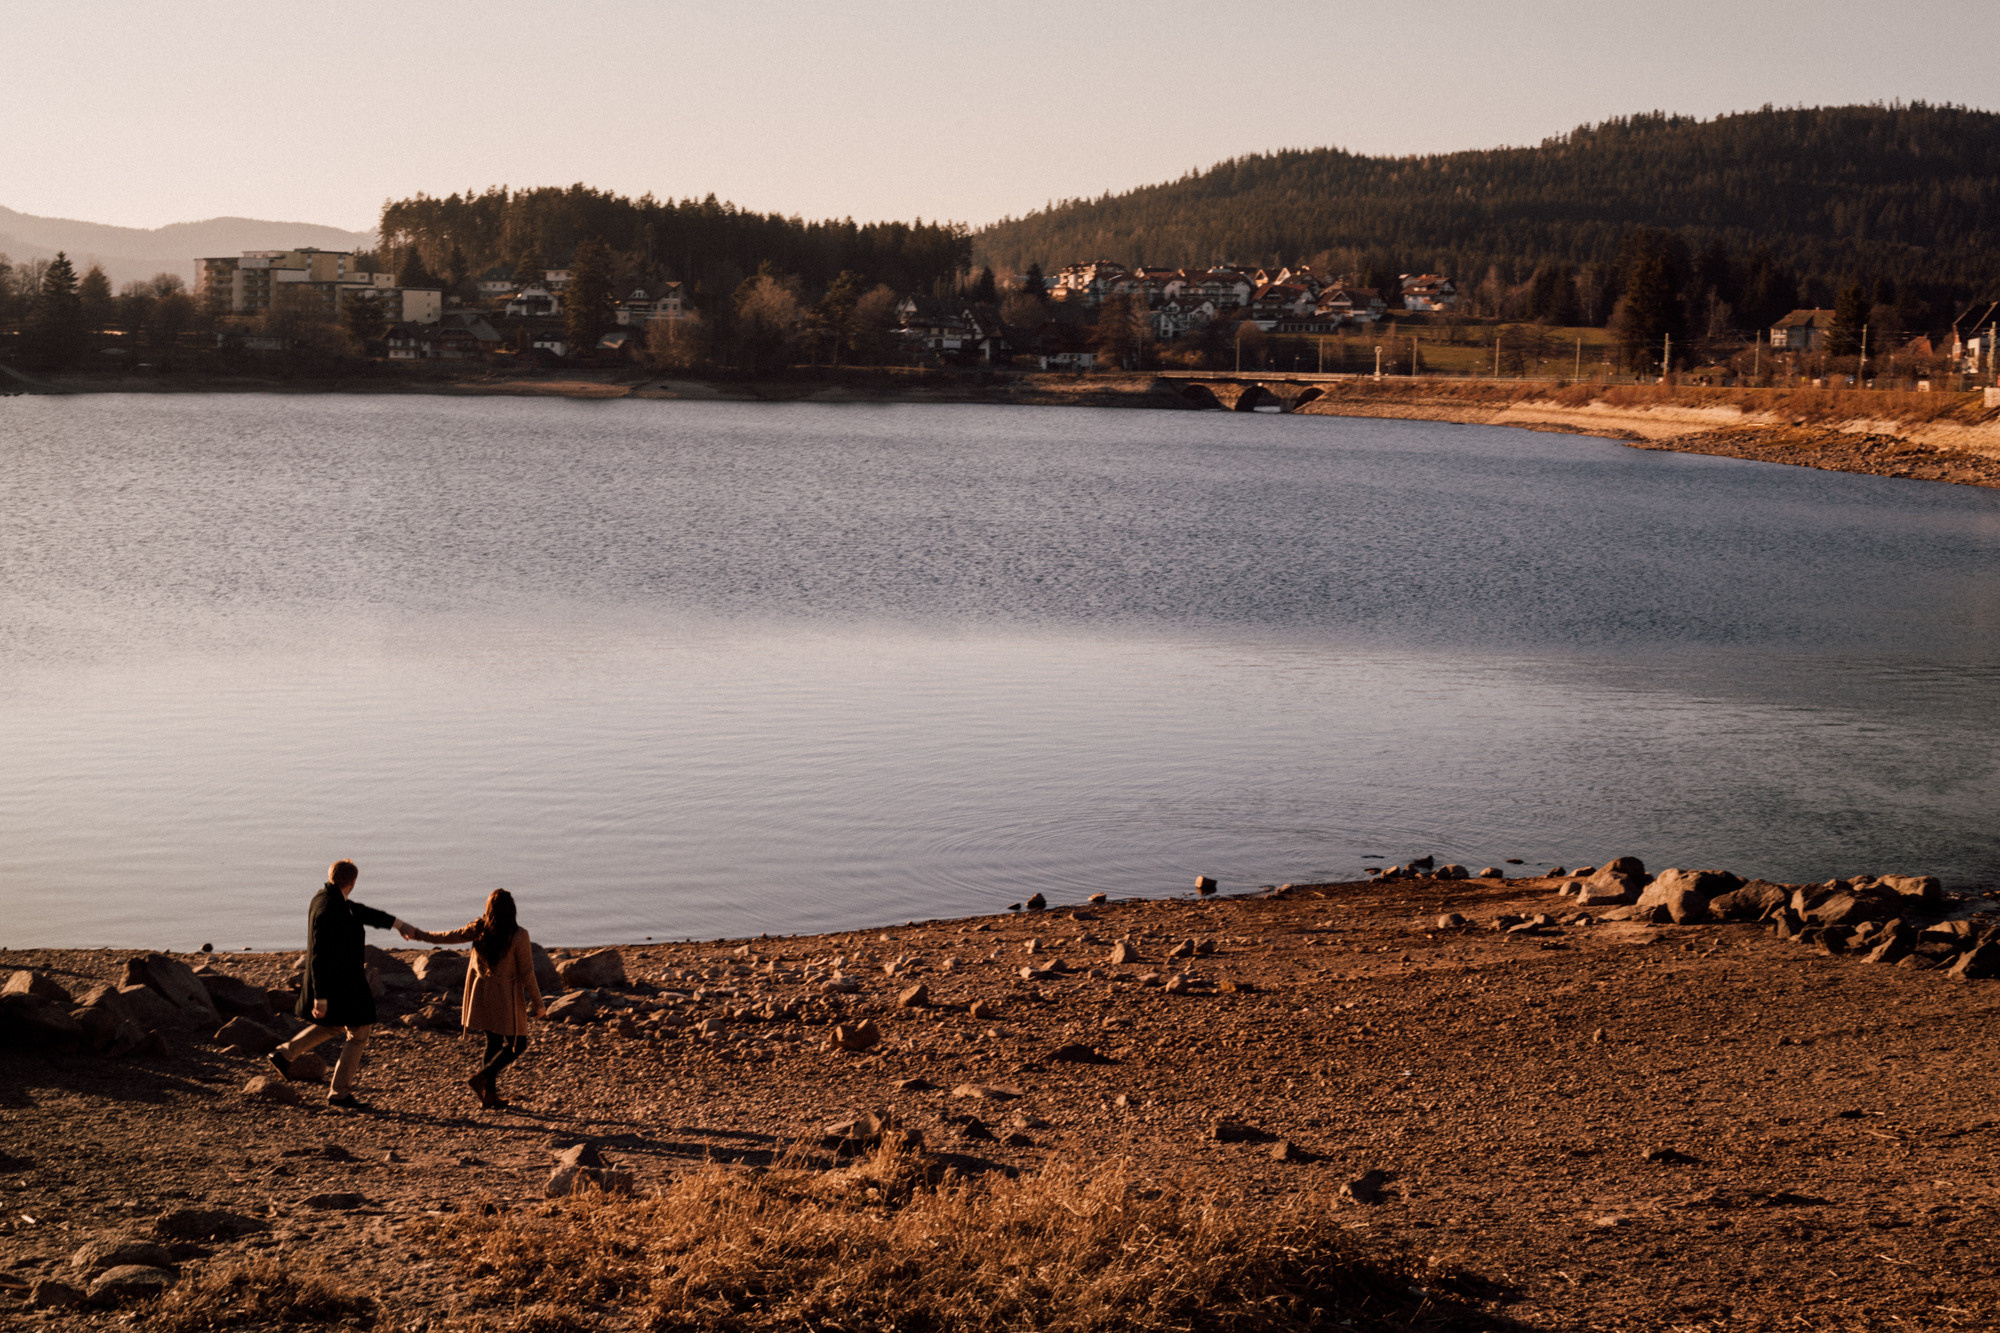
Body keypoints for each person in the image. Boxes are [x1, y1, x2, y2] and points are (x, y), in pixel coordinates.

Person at [268, 859, 417, 1109]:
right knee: (358, 1032)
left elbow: (360, 911)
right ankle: (340, 1093)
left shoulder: (324, 898)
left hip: (340, 981)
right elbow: (317, 957)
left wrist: (398, 924)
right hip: (339, 984)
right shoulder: (330, 910)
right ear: (353, 882)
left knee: (332, 1026)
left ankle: (283, 1054)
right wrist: (321, 998)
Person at [402, 889, 546, 1109]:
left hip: (481, 995)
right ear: (512, 910)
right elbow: (527, 972)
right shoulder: (518, 935)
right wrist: (539, 1004)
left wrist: (419, 934)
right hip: (504, 997)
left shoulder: (479, 929)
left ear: (489, 910)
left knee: (493, 1042)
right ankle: (483, 1077)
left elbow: (447, 937)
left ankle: (489, 1096)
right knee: (518, 1043)